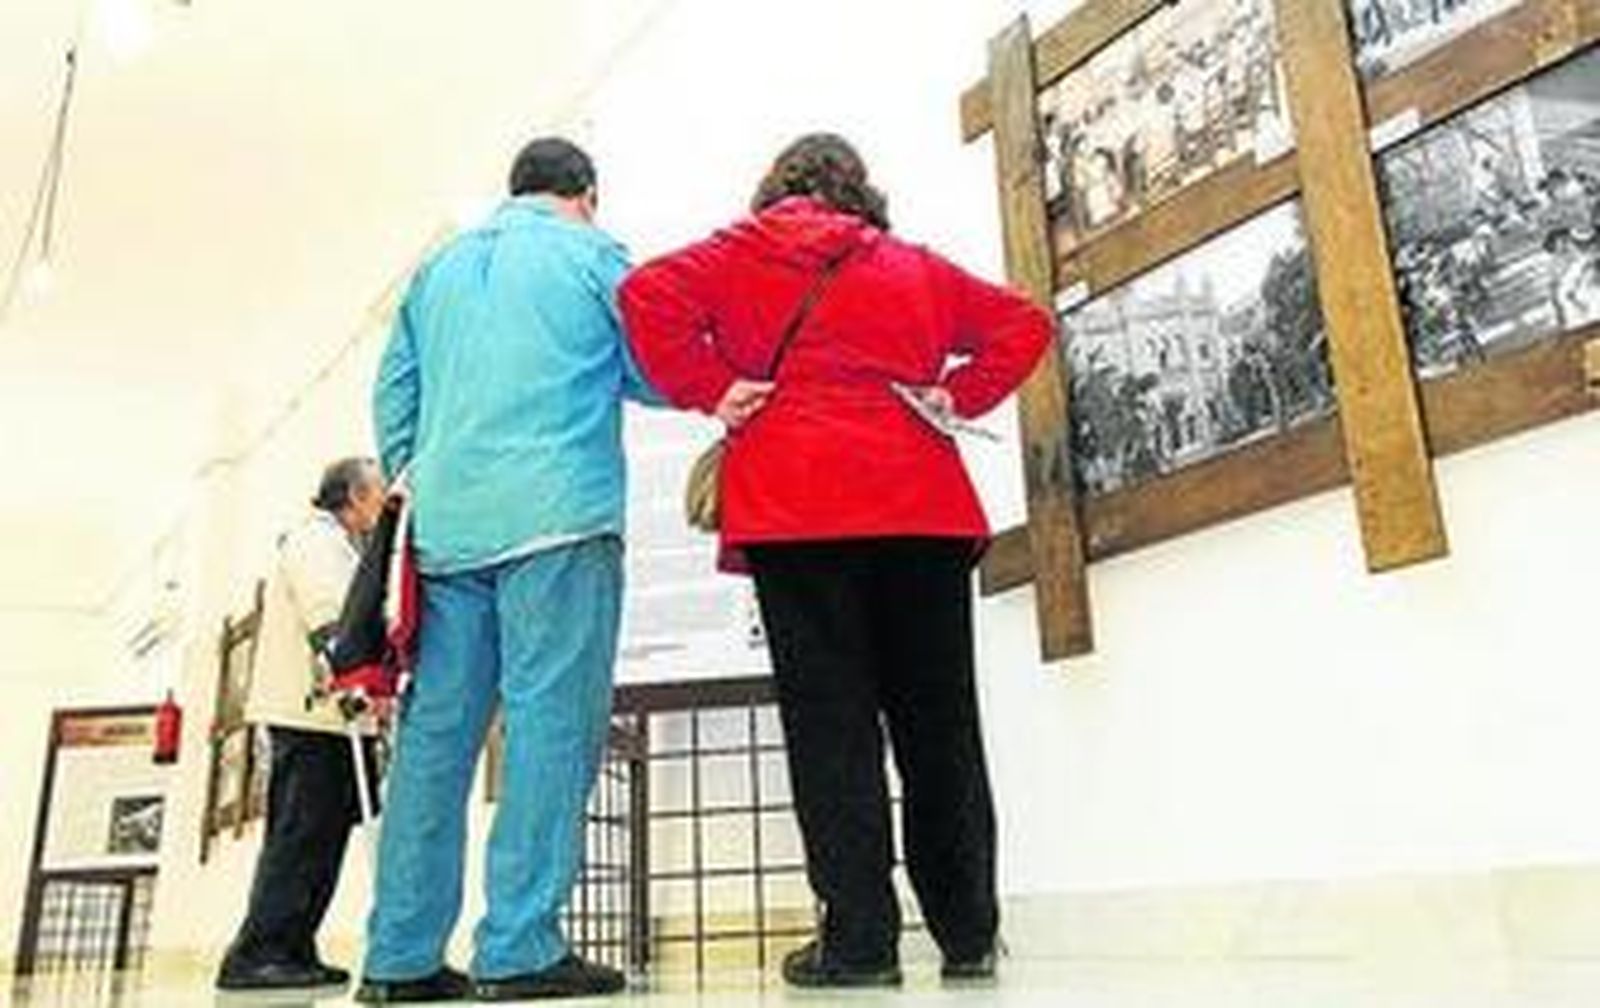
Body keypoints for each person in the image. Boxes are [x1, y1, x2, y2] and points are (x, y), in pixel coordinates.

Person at [619, 133, 1051, 989]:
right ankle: (968, 931)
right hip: (919, 506)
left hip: (796, 508)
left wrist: (711, 388)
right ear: (859, 191)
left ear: (776, 188)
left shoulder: (732, 255)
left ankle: (860, 942)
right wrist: (955, 395)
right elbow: (1024, 323)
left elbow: (643, 295)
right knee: (940, 723)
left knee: (831, 730)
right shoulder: (914, 266)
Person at [357, 137, 657, 1004]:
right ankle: (519, 947)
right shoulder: (594, 256)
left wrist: (424, 472)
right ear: (586, 193)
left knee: (434, 743)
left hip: (448, 533)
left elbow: (394, 395)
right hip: (559, 521)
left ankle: (399, 959)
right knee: (549, 732)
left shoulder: (438, 271)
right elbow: (650, 368)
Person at [215, 457, 388, 992]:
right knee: (301, 836)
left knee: (323, 837)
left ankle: (292, 946)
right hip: (311, 717)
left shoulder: (346, 546)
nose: (386, 501)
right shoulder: (316, 539)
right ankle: (257, 954)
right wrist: (353, 677)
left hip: (331, 721)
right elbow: (329, 615)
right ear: (355, 496)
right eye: (380, 490)